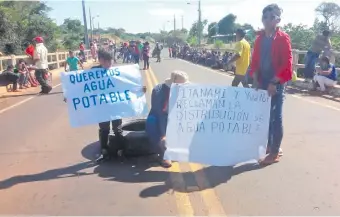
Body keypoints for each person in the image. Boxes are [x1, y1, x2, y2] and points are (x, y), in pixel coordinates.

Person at [249, 4, 292, 165]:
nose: (267, 20)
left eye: (272, 17)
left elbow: (287, 64)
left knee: (275, 117)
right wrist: (254, 77)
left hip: (276, 82)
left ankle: (274, 152)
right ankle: (269, 145)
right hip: (262, 81)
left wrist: (275, 82)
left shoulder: (283, 38)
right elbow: (255, 61)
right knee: (264, 116)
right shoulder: (259, 39)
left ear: (278, 20)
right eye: (265, 17)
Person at [146, 70, 189, 168]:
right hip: (161, 117)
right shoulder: (158, 91)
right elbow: (160, 113)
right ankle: (164, 154)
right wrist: (163, 134)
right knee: (152, 122)